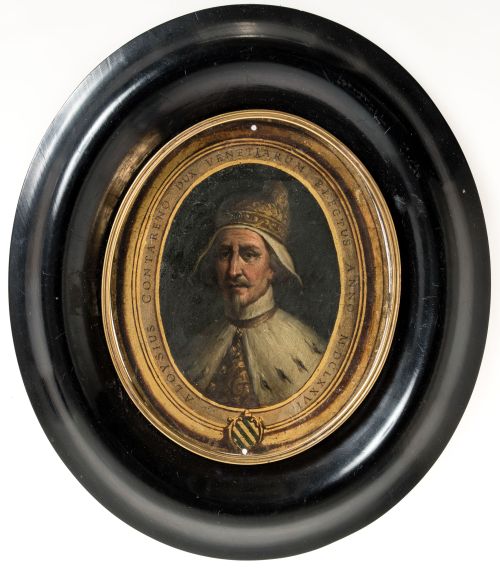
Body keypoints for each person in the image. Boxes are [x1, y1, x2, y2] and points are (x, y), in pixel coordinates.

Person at [178, 181, 326, 408]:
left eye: (249, 254)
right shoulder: (192, 352)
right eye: (225, 253)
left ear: (273, 267)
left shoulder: (312, 355)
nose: (233, 270)